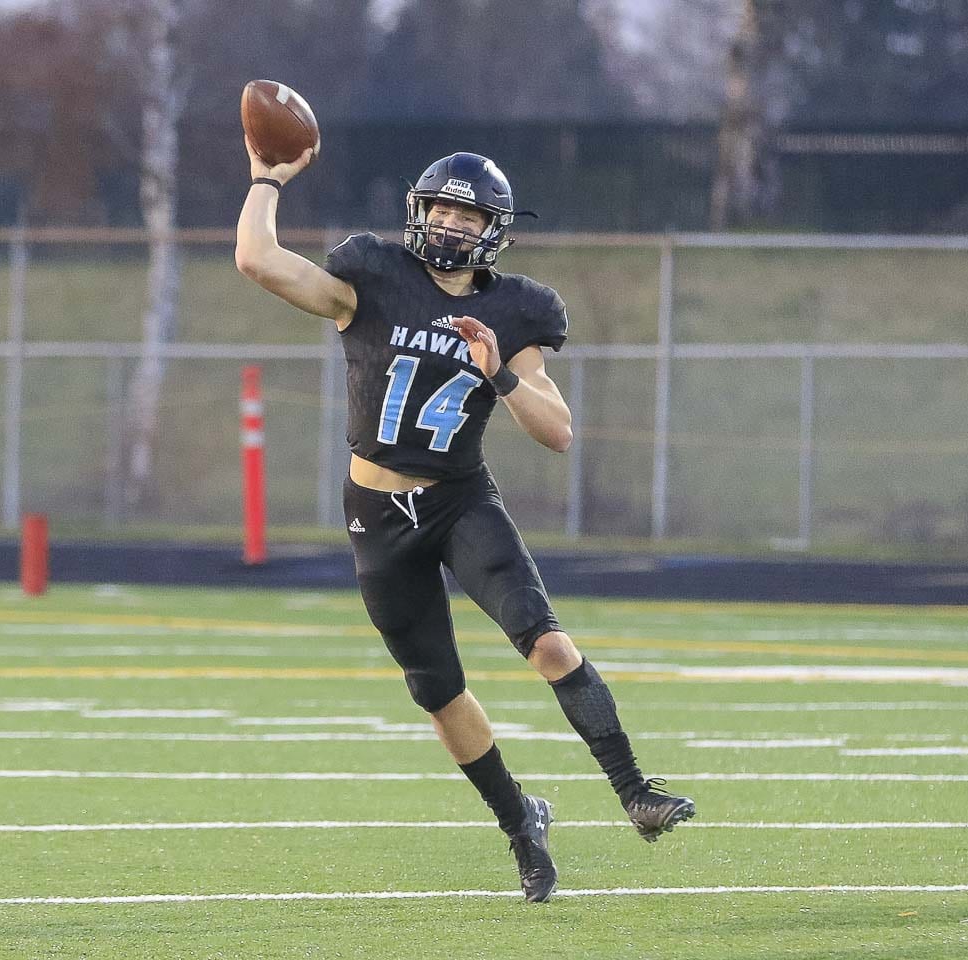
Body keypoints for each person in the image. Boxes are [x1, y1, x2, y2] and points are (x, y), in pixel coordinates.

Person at [235, 142, 695, 903]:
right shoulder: (373, 280)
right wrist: (266, 178)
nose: (448, 222)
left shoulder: (513, 310)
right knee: (437, 691)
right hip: (378, 514)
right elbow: (259, 261)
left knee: (545, 641)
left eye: (465, 212)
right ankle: (521, 822)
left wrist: (502, 372)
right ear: (418, 210)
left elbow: (557, 432)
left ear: (495, 227)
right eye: (439, 207)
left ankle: (634, 790)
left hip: (458, 501)